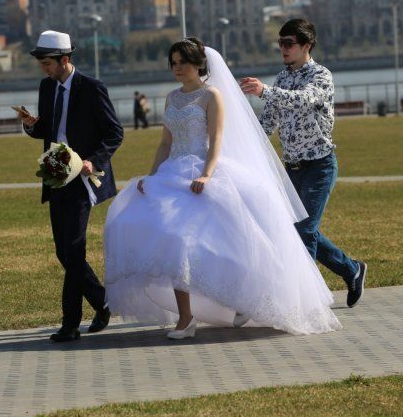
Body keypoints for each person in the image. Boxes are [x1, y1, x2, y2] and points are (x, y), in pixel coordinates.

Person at [104, 37, 341, 339]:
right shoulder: (171, 98)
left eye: (184, 63)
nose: (178, 68)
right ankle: (185, 317)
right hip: (172, 172)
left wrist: (206, 174)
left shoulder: (211, 95)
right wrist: (151, 177)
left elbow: (216, 140)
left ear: (199, 64)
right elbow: (165, 143)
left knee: (218, 242)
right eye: (174, 63)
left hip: (202, 170)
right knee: (164, 238)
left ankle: (244, 298)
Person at [239, 18, 367, 308]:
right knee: (298, 230)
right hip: (291, 170)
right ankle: (351, 269)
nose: (283, 49)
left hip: (319, 166)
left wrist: (265, 91)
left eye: (289, 43)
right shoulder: (282, 79)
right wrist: (241, 139)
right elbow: (268, 121)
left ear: (306, 45)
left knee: (304, 232)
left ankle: (305, 302)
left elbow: (304, 100)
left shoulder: (321, 76)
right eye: (280, 44)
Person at [17, 30, 124, 343]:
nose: (43, 69)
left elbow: (114, 133)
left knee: (74, 248)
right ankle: (102, 302)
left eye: (47, 63)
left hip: (83, 174)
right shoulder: (46, 87)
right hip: (56, 169)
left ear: (65, 60)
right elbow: (49, 131)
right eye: (41, 63)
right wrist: (31, 125)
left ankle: (70, 324)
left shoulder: (92, 88)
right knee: (64, 250)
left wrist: (94, 160)